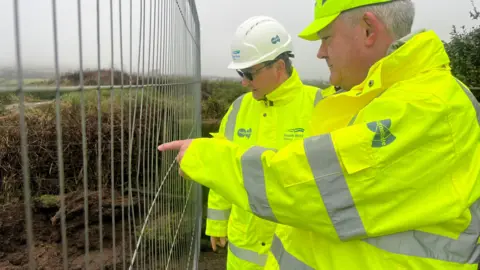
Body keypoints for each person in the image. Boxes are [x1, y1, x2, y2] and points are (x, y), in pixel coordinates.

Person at [159, 0, 480, 269]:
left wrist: (206, 158)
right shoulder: (366, 101)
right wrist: (217, 221)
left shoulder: (422, 105)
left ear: (368, 29)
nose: (320, 53)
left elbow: (311, 190)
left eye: (326, 38)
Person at [204, 15, 336, 269]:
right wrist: (217, 223)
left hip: (297, 251)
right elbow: (223, 167)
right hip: (245, 246)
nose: (244, 82)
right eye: (241, 73)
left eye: (249, 73)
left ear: (278, 67)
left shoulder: (321, 106)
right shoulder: (239, 109)